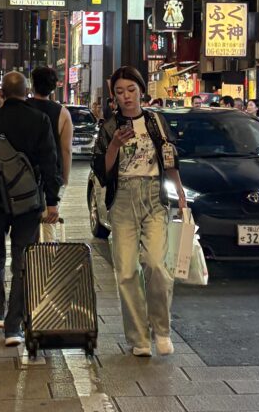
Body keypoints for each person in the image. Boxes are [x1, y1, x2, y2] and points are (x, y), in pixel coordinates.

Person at [92, 66, 186, 357]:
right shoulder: (110, 127)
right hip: (122, 200)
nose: (126, 96)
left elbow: (169, 158)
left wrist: (180, 192)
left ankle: (161, 329)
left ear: (141, 90)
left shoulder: (156, 122)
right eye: (120, 92)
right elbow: (103, 171)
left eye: (131, 90)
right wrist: (116, 146)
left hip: (153, 196)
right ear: (114, 97)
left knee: (157, 265)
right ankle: (139, 338)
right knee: (126, 270)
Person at [0, 71, 60, 347]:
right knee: (22, 260)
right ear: (26, 92)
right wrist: (52, 200)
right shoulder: (39, 120)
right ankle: (13, 327)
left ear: (2, 93)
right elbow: (50, 162)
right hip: (28, 203)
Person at [28, 65, 73, 241]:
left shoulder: (23, 107)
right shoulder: (62, 113)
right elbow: (66, 150)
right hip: (51, 176)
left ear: (32, 84)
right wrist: (66, 177)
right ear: (54, 87)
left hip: (25, 174)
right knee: (48, 226)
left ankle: (27, 264)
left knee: (27, 228)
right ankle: (46, 263)